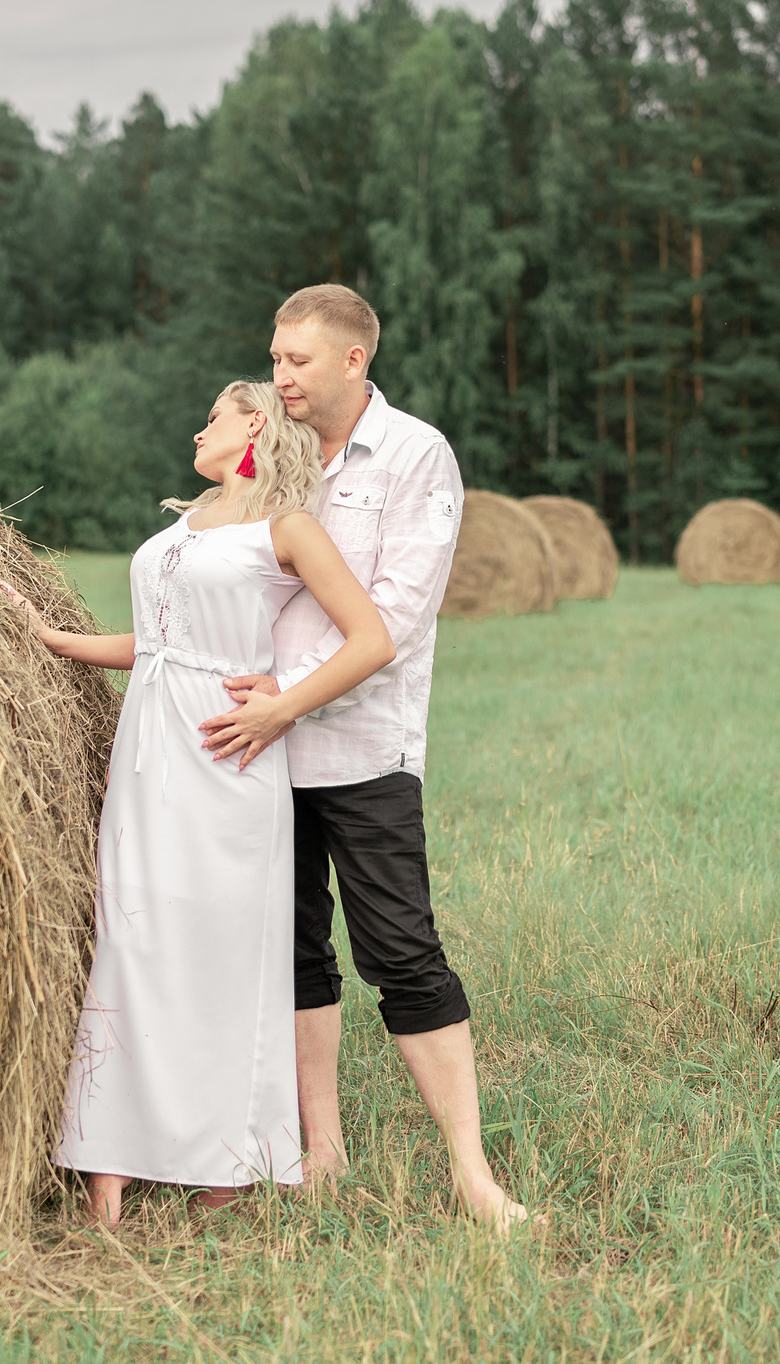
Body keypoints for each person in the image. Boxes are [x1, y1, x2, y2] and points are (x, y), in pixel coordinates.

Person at [7, 381, 395, 1227]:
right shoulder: (186, 525)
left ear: (253, 423)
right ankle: (108, 1154)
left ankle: (228, 1156)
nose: (198, 428)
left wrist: (283, 704)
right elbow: (157, 641)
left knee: (223, 955)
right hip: (149, 755)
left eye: (213, 416)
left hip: (228, 757)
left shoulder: (286, 526)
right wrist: (52, 639)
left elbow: (372, 638)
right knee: (133, 937)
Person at [202, 284, 529, 1231]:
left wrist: (280, 703)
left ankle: (475, 1176)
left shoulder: (418, 456)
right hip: (261, 749)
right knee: (294, 949)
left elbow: (391, 617)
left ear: (354, 360)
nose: (279, 377)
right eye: (273, 359)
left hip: (361, 745)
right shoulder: (282, 455)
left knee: (401, 951)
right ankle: (323, 1150)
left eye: (297, 361)